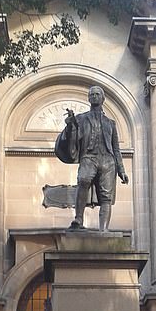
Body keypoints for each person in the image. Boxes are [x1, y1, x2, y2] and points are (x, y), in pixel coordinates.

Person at [55, 85, 129, 231]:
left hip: (108, 160)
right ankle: (79, 219)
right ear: (89, 98)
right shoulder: (81, 119)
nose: (94, 96)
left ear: (103, 98)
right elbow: (73, 136)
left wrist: (122, 171)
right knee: (83, 180)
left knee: (106, 196)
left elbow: (116, 148)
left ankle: (104, 229)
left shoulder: (111, 123)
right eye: (92, 94)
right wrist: (70, 125)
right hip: (89, 157)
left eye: (97, 94)